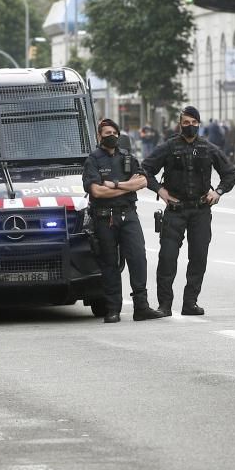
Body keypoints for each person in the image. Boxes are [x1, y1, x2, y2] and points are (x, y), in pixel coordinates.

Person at [141, 106, 235, 316]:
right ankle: (164, 305)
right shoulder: (168, 147)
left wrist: (218, 192)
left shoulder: (209, 148)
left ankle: (190, 303)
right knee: (167, 258)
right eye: (186, 122)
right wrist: (160, 190)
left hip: (201, 210)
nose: (190, 126)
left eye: (194, 123)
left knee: (198, 257)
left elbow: (230, 173)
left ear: (199, 124)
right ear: (180, 124)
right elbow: (145, 169)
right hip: (175, 210)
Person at [83, 118, 164, 323]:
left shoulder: (127, 157)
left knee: (138, 258)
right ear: (99, 137)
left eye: (114, 133)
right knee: (110, 263)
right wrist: (126, 185)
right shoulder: (93, 160)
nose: (111, 136)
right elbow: (96, 191)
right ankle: (113, 309)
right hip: (104, 218)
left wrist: (114, 184)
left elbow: (143, 181)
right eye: (107, 133)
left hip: (128, 214)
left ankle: (141, 307)